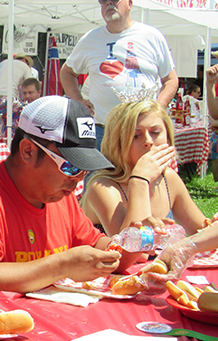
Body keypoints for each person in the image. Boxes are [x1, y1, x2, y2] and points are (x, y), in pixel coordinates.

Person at [0, 96, 141, 300]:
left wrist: (136, 241)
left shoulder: (60, 195)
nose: (78, 179)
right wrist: (61, 267)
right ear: (28, 151)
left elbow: (103, 252)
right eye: (70, 166)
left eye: (85, 170)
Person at [60, 0, 178, 149]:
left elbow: (171, 80)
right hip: (103, 131)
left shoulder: (151, 36)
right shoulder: (90, 39)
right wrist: (78, 100)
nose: (108, 3)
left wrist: (158, 108)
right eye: (103, 0)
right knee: (100, 176)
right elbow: (67, 72)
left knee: (144, 175)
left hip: (143, 131)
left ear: (129, 4)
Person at [82, 100, 209, 238]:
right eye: (136, 135)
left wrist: (212, 228)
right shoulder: (104, 187)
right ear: (117, 143)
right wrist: (140, 180)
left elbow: (200, 231)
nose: (148, 141)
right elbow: (132, 249)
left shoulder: (168, 178)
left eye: (155, 132)